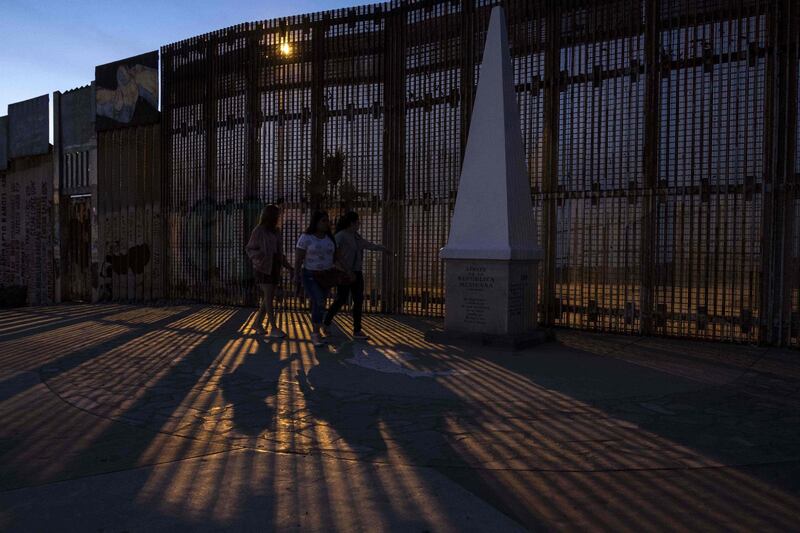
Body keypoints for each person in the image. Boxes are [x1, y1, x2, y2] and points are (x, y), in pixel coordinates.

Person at [323, 211, 390, 340]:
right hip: (344, 272)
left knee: (358, 300)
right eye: (357, 222)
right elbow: (333, 252)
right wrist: (339, 268)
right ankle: (326, 322)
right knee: (341, 299)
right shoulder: (340, 236)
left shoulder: (356, 236)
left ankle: (357, 330)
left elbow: (368, 245)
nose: (359, 224)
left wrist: (383, 249)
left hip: (357, 272)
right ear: (351, 223)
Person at [245, 205, 293, 338]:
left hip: (274, 267)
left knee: (268, 298)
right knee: (268, 298)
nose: (278, 217)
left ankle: (257, 323)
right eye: (277, 215)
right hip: (263, 268)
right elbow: (249, 249)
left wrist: (288, 267)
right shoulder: (259, 230)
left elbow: (279, 252)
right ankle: (273, 327)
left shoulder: (276, 231)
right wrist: (260, 255)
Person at [294, 210, 339, 347]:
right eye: (323, 221)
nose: (326, 224)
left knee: (321, 303)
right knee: (318, 301)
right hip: (310, 274)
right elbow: (299, 258)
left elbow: (336, 257)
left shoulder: (330, 238)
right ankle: (315, 333)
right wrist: (296, 275)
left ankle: (318, 328)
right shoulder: (306, 237)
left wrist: (344, 271)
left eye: (327, 221)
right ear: (316, 222)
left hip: (326, 275)